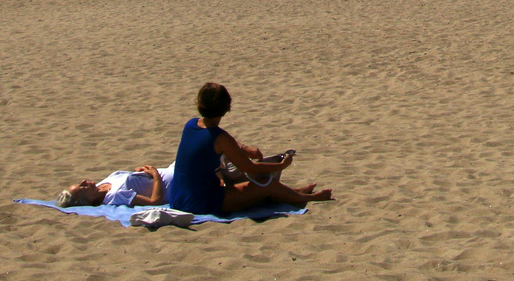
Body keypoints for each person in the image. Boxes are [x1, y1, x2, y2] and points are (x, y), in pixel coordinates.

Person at [169, 83, 331, 215]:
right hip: (199, 202)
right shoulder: (221, 137)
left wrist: (245, 148)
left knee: (255, 185)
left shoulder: (191, 124)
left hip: (178, 197)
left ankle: (296, 191)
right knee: (267, 184)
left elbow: (223, 143)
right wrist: (282, 165)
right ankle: (309, 197)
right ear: (227, 107)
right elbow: (249, 167)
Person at [58, 163, 172, 208]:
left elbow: (130, 179)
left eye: (79, 183)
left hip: (170, 170)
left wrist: (137, 172)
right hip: (175, 182)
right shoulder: (114, 196)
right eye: (82, 188)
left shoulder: (99, 186)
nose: (83, 181)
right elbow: (154, 202)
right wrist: (156, 175)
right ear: (89, 201)